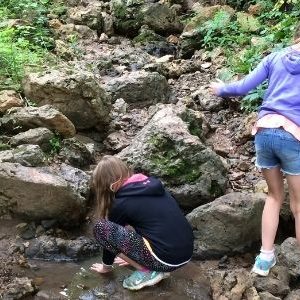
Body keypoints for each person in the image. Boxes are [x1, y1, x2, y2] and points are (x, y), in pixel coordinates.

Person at [210, 23, 300, 276]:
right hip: (293, 135)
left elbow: (241, 88)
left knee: (273, 197)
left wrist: (221, 88)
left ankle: (264, 258)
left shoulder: (275, 57)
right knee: (298, 205)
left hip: (263, 132)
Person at [90, 155, 194, 290]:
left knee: (101, 227)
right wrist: (133, 255)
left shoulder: (121, 203)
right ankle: (147, 262)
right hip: (186, 253)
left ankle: (148, 271)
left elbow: (109, 235)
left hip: (166, 259)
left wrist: (106, 267)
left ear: (109, 186)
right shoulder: (152, 185)